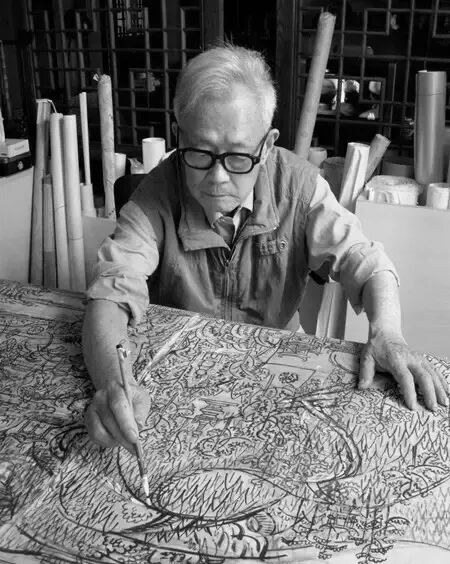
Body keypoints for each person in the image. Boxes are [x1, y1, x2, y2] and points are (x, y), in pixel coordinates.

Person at [82, 43, 448, 452]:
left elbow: (365, 262)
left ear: (268, 144)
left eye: (239, 157)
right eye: (199, 153)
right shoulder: (156, 195)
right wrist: (113, 384)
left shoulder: (300, 188)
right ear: (179, 134)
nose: (218, 178)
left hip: (278, 360)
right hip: (181, 364)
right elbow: (110, 292)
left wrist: (388, 333)